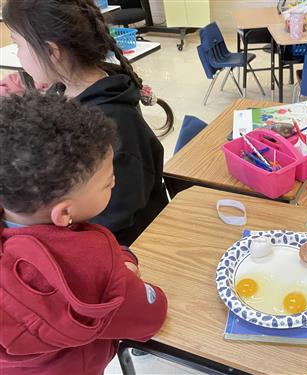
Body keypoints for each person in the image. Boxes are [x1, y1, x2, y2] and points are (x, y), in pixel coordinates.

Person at [0, 92, 168, 375]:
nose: (114, 180)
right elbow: (150, 314)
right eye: (107, 183)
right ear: (64, 214)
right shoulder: (90, 264)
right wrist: (123, 264)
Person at [2, 0, 173, 246]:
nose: (17, 55)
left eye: (18, 44)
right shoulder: (62, 92)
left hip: (128, 248)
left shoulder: (114, 123)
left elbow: (116, 222)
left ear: (51, 51)